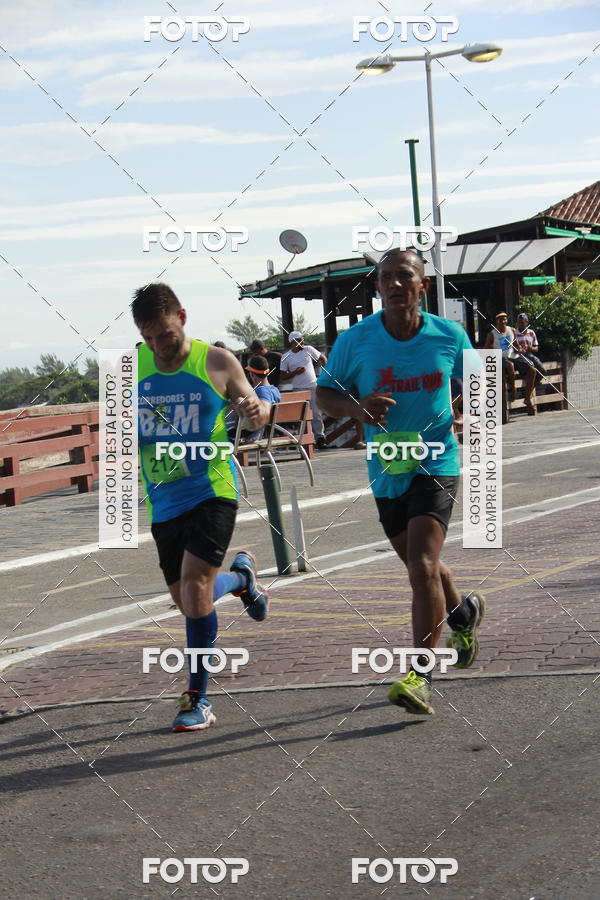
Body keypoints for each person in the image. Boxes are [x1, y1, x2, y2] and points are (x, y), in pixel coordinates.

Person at [316, 249, 486, 716]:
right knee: (424, 567)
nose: (394, 284)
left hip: (437, 459)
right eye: (385, 278)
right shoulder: (358, 340)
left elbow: (477, 381)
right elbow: (324, 393)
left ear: (422, 286)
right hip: (388, 465)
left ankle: (420, 675)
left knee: (422, 565)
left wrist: (467, 410)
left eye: (403, 276)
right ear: (377, 288)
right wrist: (356, 409)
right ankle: (463, 615)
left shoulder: (448, 335)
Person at [131, 283, 271, 732]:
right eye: (149, 338)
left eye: (166, 336)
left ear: (183, 318)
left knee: (193, 590)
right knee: (188, 599)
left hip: (212, 489)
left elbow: (254, 415)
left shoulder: (215, 361)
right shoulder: (129, 368)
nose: (159, 347)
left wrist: (254, 412)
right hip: (164, 499)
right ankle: (242, 579)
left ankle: (198, 697)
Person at [280, 331, 329, 450]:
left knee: (316, 413)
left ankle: (319, 438)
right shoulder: (286, 356)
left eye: (301, 339)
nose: (301, 342)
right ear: (292, 342)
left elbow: (322, 358)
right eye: (298, 340)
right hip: (298, 389)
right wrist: (295, 372)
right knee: (301, 416)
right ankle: (305, 440)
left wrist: (323, 373)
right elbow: (282, 376)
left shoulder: (308, 349)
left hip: (312, 385)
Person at [513, 312, 545, 415]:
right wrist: (518, 348)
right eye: (519, 322)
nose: (521, 324)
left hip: (530, 354)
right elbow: (512, 347)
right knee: (532, 370)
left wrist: (531, 348)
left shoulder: (531, 332)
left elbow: (537, 348)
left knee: (543, 371)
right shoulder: (514, 333)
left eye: (523, 322)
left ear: (526, 322)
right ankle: (527, 398)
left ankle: (528, 392)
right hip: (520, 356)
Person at [244, 355, 281, 439]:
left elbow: (264, 411)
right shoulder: (275, 390)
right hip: (265, 433)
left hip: (254, 435)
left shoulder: (262, 391)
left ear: (252, 374)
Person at [484, 312, 518, 402]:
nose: (503, 321)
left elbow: (517, 345)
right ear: (497, 321)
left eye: (504, 319)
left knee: (531, 367)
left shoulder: (512, 330)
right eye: (500, 320)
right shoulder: (492, 333)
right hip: (500, 358)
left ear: (507, 320)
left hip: (511, 355)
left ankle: (527, 397)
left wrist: (520, 349)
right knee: (510, 365)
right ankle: (513, 389)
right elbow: (486, 347)